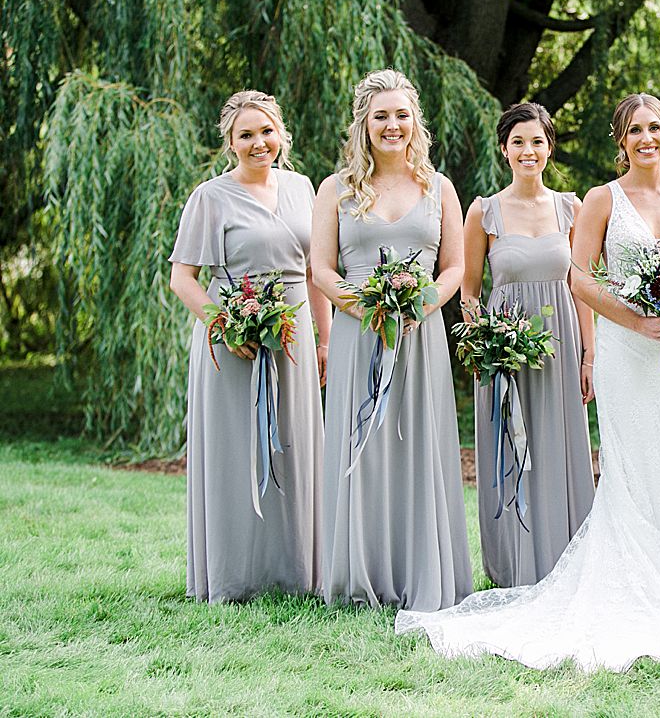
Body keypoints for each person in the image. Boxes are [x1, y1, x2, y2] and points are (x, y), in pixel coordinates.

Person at [395, 93, 660, 670]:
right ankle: (627, 581)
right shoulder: (601, 199)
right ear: (621, 140)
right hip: (625, 352)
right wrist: (637, 320)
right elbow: (579, 277)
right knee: (629, 464)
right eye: (635, 130)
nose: (647, 138)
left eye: (656, 128)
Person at [311, 69, 472, 610]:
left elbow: (454, 267)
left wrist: (419, 307)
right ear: (363, 123)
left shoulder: (439, 187)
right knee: (366, 450)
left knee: (416, 446)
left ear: (415, 122)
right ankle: (361, 574)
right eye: (380, 115)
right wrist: (364, 306)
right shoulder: (334, 189)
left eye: (401, 114)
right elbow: (320, 268)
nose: (392, 125)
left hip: (421, 338)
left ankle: (421, 570)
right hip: (361, 336)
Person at [168, 90, 326, 602]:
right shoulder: (210, 197)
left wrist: (323, 340)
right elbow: (183, 278)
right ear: (230, 143)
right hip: (235, 338)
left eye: (266, 132)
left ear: (281, 134)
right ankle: (235, 575)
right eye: (246, 135)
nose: (259, 142)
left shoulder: (305, 188)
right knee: (237, 449)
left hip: (295, 333)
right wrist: (224, 325)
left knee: (295, 446)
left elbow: (313, 271)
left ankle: (295, 572)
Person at [462, 102, 596, 587]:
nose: (528, 151)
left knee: (559, 443)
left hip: (559, 343)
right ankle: (514, 561)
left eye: (537, 141)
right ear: (504, 148)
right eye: (518, 141)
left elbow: (581, 283)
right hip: (506, 348)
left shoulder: (571, 207)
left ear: (549, 147)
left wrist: (588, 352)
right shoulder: (484, 211)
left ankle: (567, 559)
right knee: (514, 443)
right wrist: (485, 346)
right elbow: (470, 291)